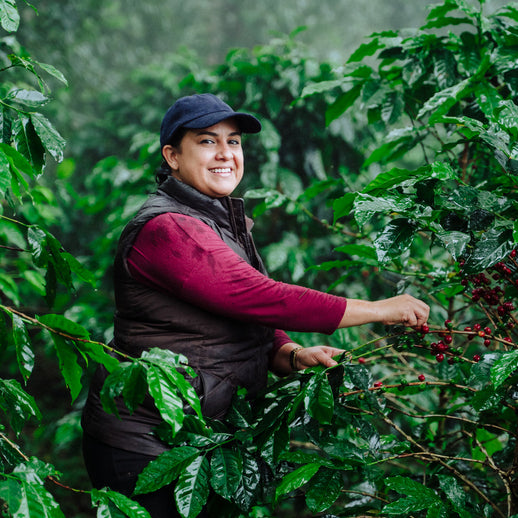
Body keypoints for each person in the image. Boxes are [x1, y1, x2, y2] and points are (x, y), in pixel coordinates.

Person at [81, 93, 429, 517]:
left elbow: (247, 311)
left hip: (200, 436)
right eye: (208, 142)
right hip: (146, 443)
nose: (226, 154)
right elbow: (260, 296)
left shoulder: (215, 219)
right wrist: (377, 309)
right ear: (172, 156)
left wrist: (289, 352)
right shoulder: (169, 227)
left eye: (234, 142)